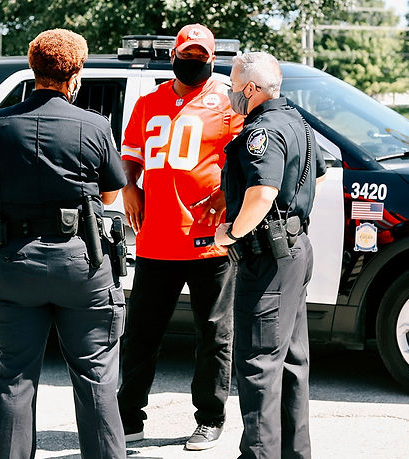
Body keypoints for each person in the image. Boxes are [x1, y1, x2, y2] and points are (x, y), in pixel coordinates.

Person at [0, 28, 127, 459]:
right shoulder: (94, 125)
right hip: (82, 264)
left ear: (32, 69)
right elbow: (110, 195)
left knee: (14, 378)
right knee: (96, 378)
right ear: (75, 76)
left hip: (14, 263)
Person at [117, 23, 242, 451]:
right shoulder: (148, 102)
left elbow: (245, 160)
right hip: (156, 238)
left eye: (200, 57)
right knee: (141, 334)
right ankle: (128, 418)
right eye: (186, 55)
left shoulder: (227, 99)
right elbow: (130, 155)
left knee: (214, 336)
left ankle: (210, 418)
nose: (192, 62)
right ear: (173, 55)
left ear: (212, 59)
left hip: (209, 240)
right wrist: (129, 186)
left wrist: (225, 193)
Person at [213, 51, 326, 459]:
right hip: (295, 250)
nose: (229, 94)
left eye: (232, 86)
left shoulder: (261, 131)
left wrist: (231, 232)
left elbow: (263, 192)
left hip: (269, 258)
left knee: (259, 365)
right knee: (292, 363)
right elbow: (317, 174)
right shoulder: (298, 121)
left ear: (249, 88)